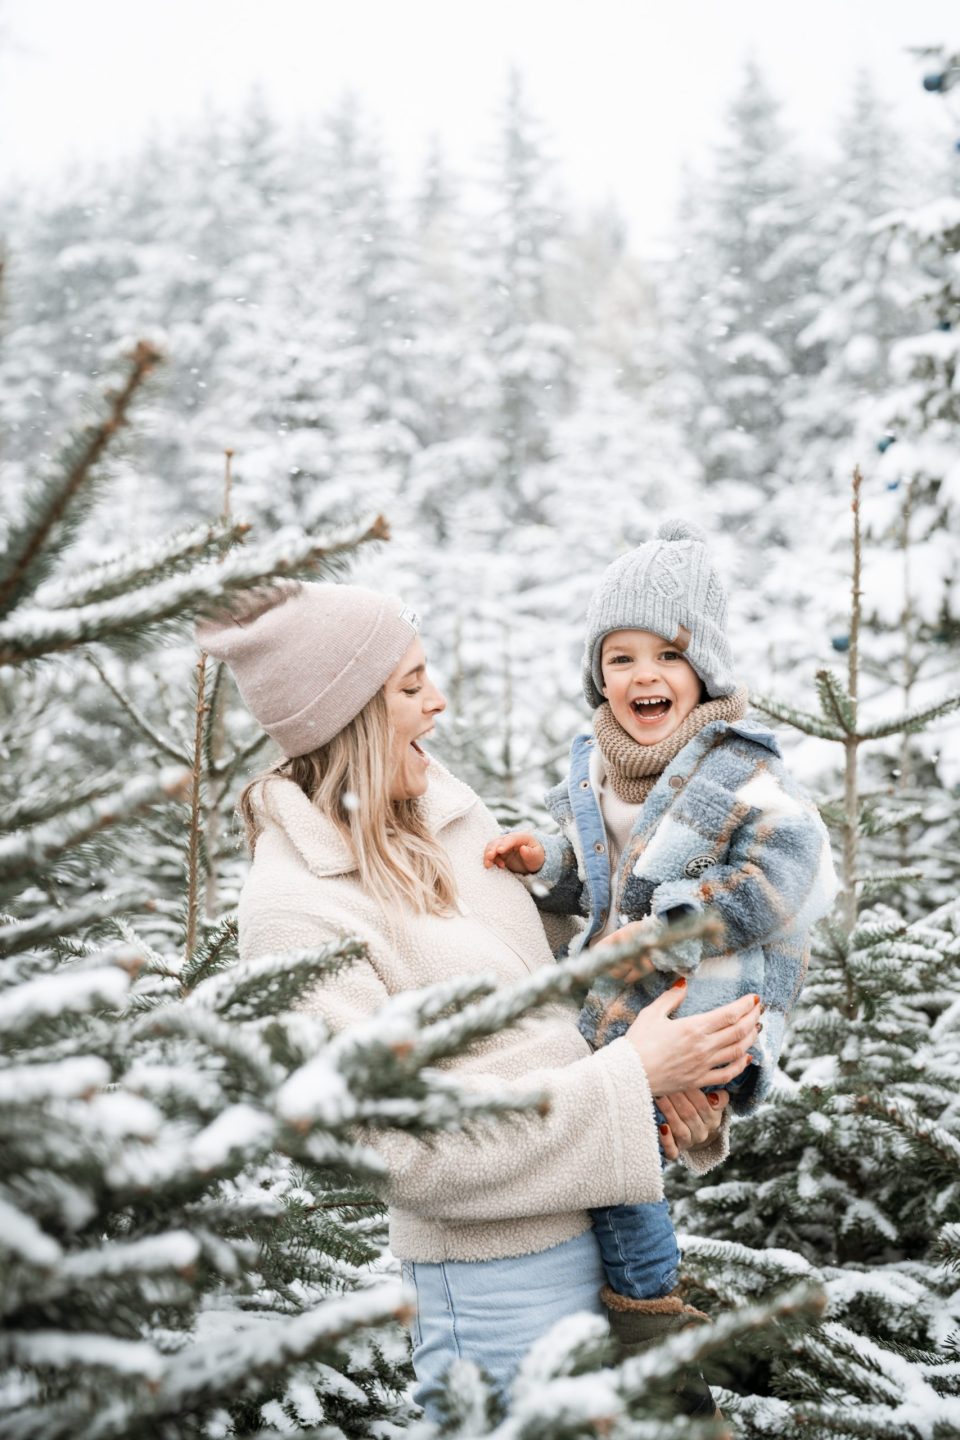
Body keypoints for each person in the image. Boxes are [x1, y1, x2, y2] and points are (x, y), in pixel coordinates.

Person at [197, 579, 762, 1419]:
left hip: (612, 1233)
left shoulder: (450, 822)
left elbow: (546, 1013)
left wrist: (677, 1091)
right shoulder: (294, 910)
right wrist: (628, 1079)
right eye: (411, 685)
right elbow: (386, 1144)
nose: (439, 702)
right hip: (498, 1284)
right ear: (347, 714)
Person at [484, 518, 838, 1362]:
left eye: (668, 656)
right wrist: (547, 862)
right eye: (621, 658)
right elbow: (597, 882)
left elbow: (787, 869)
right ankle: (595, 1308)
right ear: (598, 677)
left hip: (706, 1003)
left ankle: (647, 1310)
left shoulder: (742, 770)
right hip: (615, 1001)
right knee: (593, 1135)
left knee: (613, 1156)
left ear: (703, 670)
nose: (644, 675)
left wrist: (682, 919)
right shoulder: (594, 768)